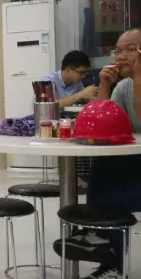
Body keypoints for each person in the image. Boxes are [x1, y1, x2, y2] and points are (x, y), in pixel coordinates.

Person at [61, 28, 141, 279]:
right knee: (106, 165)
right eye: (119, 50)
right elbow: (104, 123)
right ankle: (105, 246)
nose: (122, 56)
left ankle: (101, 240)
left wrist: (138, 75)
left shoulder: (134, 83)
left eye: (131, 49)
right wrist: (105, 84)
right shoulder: (123, 86)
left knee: (110, 192)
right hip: (131, 164)